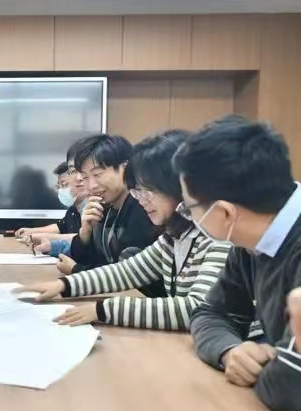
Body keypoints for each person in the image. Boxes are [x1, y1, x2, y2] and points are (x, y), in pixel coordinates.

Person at [17, 130, 230, 330]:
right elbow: (128, 271)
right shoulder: (175, 235)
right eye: (138, 191)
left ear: (179, 185)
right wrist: (64, 285)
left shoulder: (217, 234)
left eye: (149, 190)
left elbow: (197, 308)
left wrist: (103, 309)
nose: (142, 199)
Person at [172, 115, 301, 411]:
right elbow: (210, 313)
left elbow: (291, 391)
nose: (187, 215)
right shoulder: (252, 241)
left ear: (225, 213)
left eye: (189, 208)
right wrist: (231, 351)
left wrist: (273, 365)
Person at [57, 133, 157, 275]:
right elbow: (87, 260)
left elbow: (130, 275)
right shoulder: (103, 207)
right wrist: (85, 232)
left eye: (97, 174)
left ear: (125, 167)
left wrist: (76, 269)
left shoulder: (143, 209)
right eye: (85, 178)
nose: (92, 186)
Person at [15, 155, 88, 242]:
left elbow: (82, 238)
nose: (60, 190)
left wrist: (38, 236)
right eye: (59, 186)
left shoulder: (91, 209)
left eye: (64, 184)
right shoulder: (72, 210)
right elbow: (60, 227)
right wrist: (31, 231)